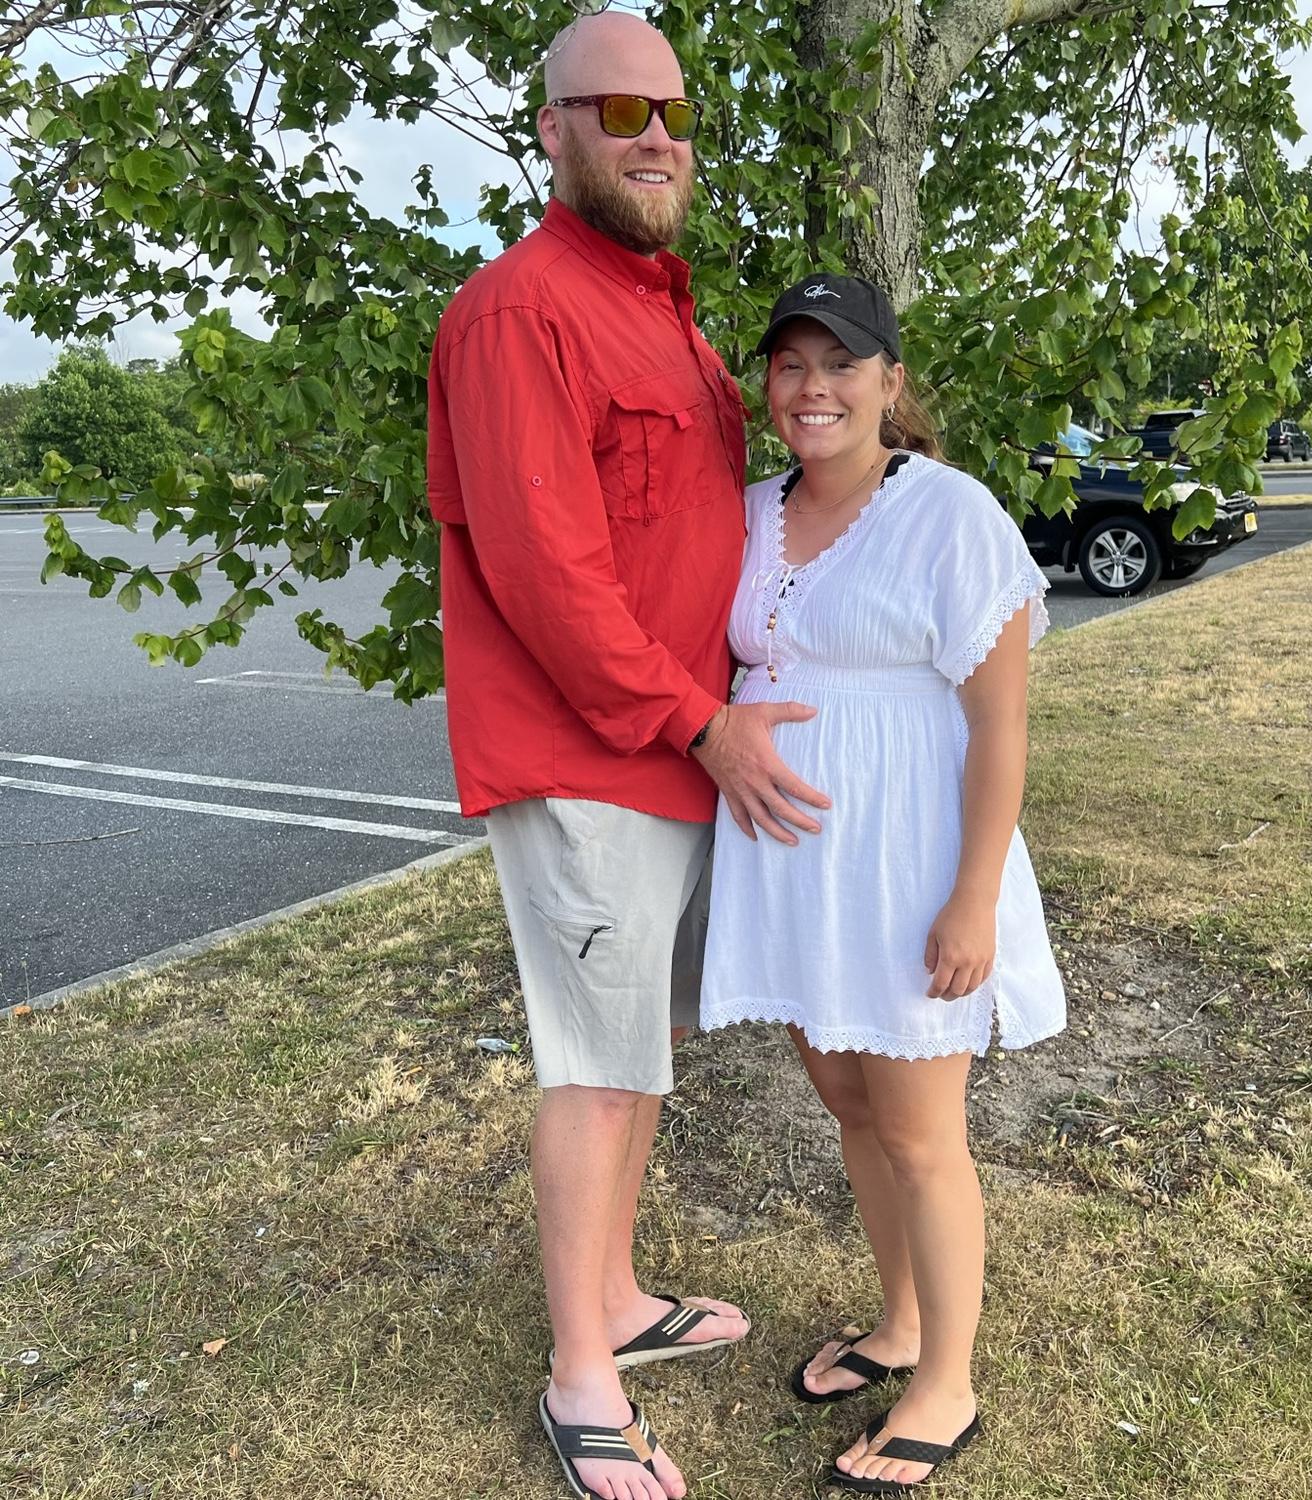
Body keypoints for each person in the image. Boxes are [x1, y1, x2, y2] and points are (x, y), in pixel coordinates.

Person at [425, 14, 829, 1500]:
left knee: (639, 1047)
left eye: (674, 111)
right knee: (595, 1070)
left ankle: (613, 1297)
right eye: (617, 109)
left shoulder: (666, 313)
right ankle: (579, 1380)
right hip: (597, 757)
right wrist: (703, 723)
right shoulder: (519, 312)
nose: (655, 135)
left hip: (676, 754)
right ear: (554, 132)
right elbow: (549, 577)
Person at [700, 274, 1067, 1494]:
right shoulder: (748, 512)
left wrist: (973, 897)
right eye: (791, 364)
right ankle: (902, 1323)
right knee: (849, 1102)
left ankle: (946, 1382)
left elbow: (1000, 728)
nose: (814, 388)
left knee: (919, 1133)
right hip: (798, 874)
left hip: (908, 867)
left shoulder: (949, 514)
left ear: (890, 382)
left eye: (842, 364)